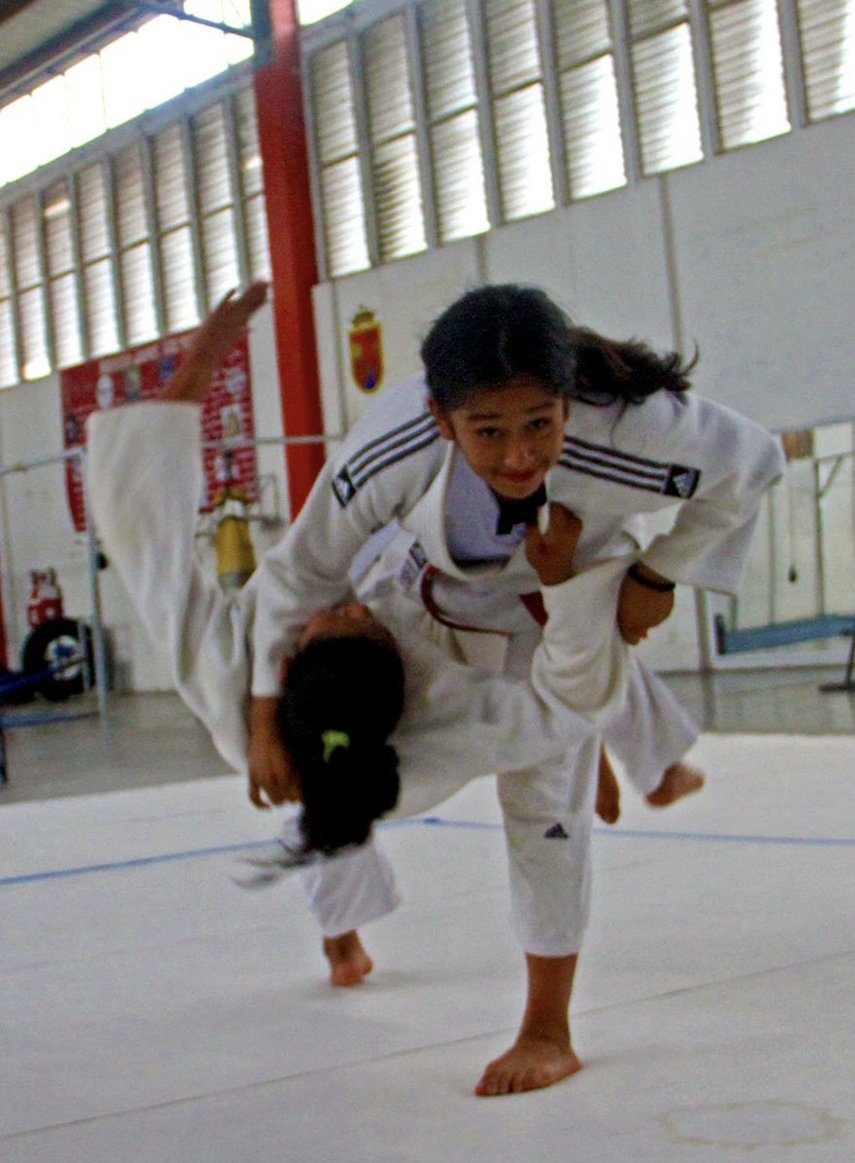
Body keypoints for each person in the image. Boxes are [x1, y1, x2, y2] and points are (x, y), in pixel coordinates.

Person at [86, 284, 638, 1098]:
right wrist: (585, 748)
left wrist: (204, 355)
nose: (345, 605)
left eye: (331, 616)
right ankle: (506, 1011)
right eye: (355, 617)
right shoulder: (448, 709)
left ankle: (395, 962)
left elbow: (144, 532)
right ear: (402, 667)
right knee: (542, 766)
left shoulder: (242, 691)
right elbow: (566, 698)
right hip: (408, 719)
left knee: (354, 787)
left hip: (321, 730)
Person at [245, 283, 785, 1096]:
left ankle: (547, 1030)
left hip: (551, 612)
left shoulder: (643, 432)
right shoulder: (396, 438)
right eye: (486, 432)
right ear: (442, 419)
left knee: (545, 809)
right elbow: (300, 568)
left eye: (540, 422)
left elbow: (758, 464)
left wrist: (658, 573)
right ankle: (341, 925)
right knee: (336, 760)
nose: (517, 456)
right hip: (416, 609)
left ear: (569, 399)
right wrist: (261, 716)